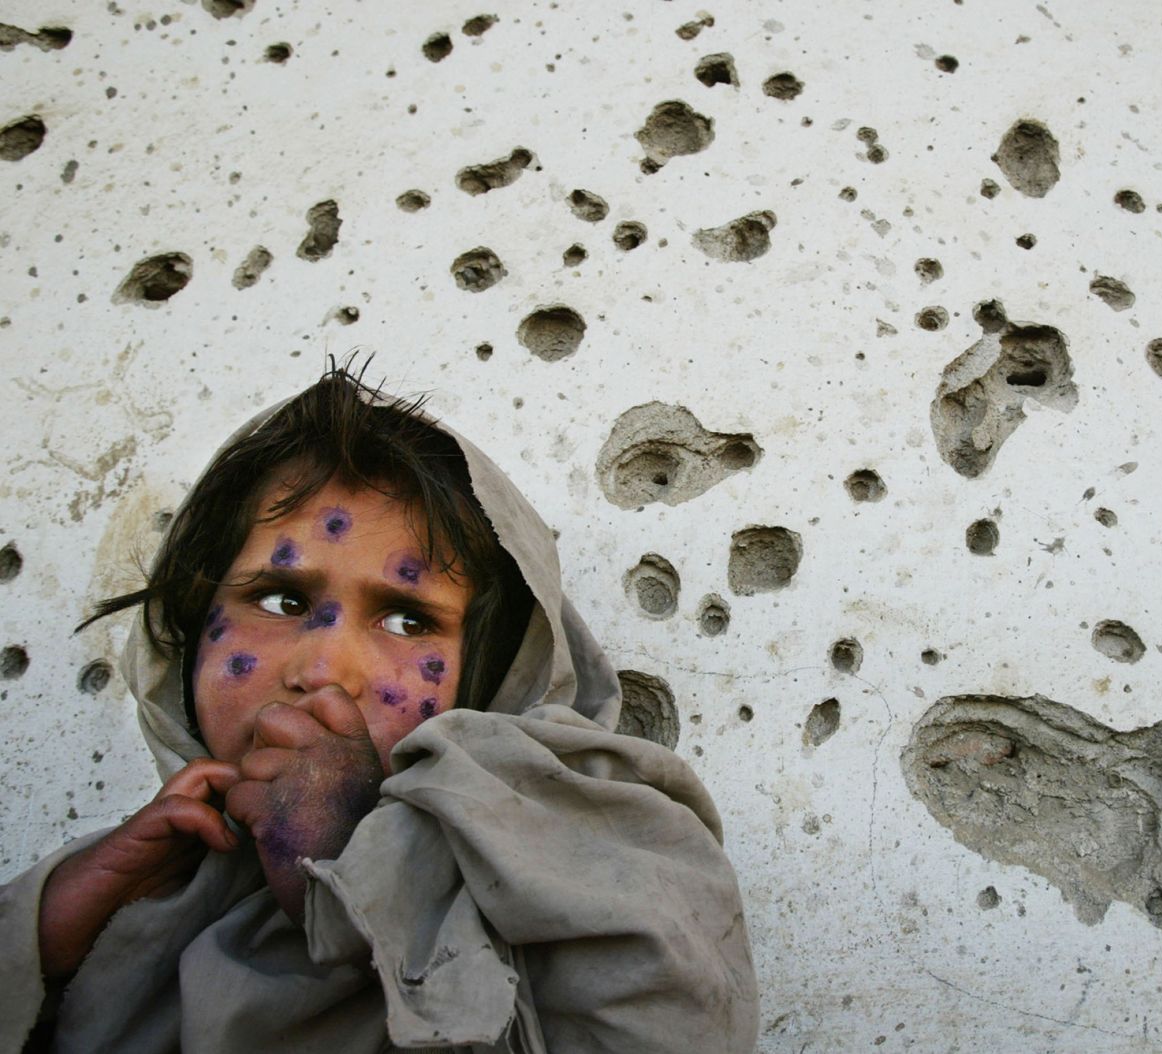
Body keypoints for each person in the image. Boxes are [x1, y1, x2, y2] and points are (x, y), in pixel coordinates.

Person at [0, 364, 759, 1053]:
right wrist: (37, 947)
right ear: (189, 628)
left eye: (407, 619)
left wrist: (363, 872)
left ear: (495, 675)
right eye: (280, 599)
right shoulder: (117, 892)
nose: (324, 667)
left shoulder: (603, 857)